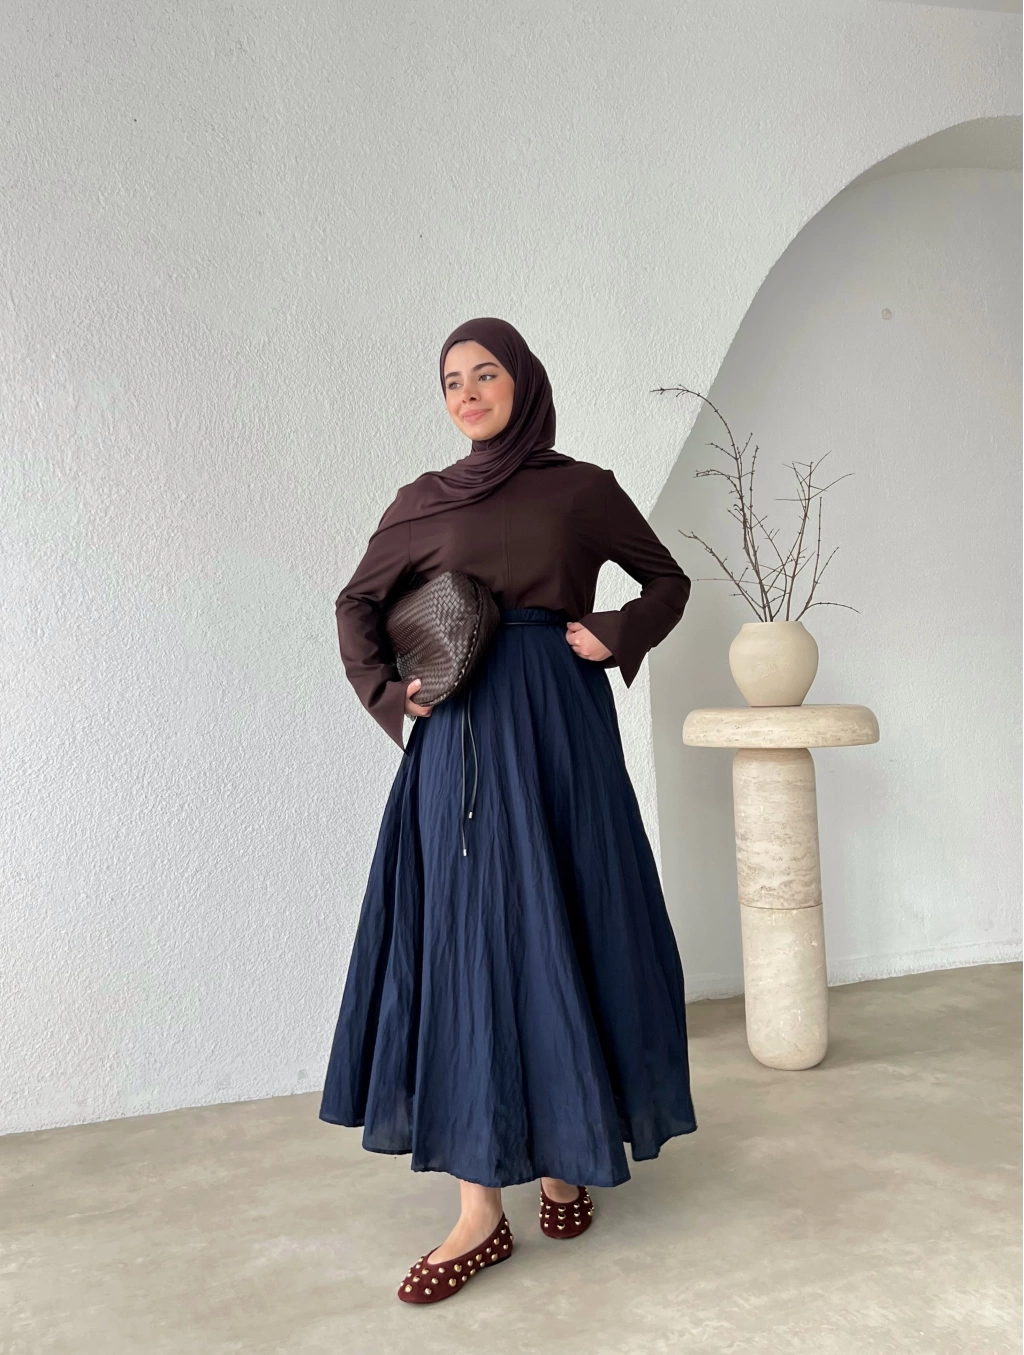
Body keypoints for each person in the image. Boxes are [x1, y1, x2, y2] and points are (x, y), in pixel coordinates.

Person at [319, 316, 697, 1305]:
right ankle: (480, 1209)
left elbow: (667, 579)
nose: (468, 392)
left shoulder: (583, 490)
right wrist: (388, 691)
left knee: (568, 922)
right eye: (452, 380)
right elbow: (357, 604)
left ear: (523, 381)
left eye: (485, 373)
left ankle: (567, 1157)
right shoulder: (422, 501)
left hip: (562, 730)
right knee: (471, 944)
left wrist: (614, 629)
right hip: (464, 743)